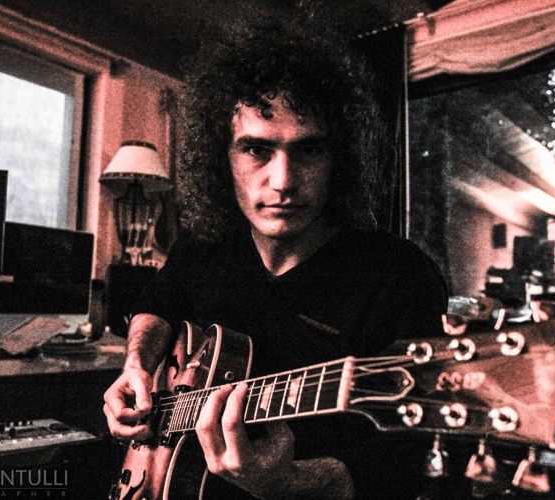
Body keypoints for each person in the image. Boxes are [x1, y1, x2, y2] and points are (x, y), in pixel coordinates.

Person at [104, 15, 448, 499]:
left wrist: (293, 485)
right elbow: (155, 303)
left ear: (339, 159)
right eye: (256, 150)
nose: (283, 181)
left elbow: (412, 458)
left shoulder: (399, 276)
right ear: (222, 158)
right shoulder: (205, 245)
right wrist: (137, 365)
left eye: (308, 151)